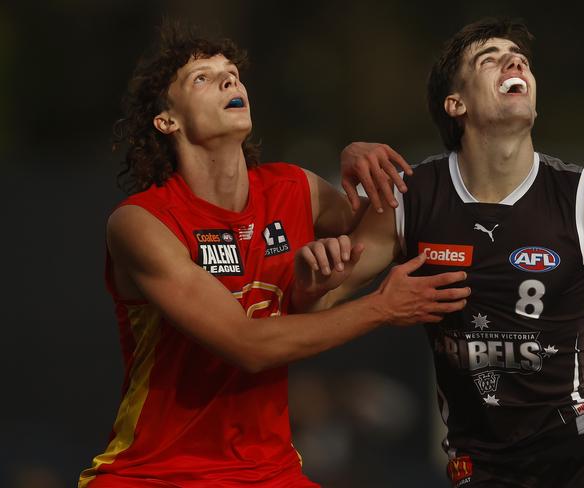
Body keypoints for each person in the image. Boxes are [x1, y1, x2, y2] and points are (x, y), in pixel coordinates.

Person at [77, 24, 471, 488]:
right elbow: (248, 346)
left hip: (269, 471)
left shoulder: (295, 188)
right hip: (155, 473)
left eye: (232, 74)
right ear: (168, 121)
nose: (230, 81)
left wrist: (357, 160)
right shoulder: (142, 222)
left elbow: (379, 234)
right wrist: (382, 307)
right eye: (202, 78)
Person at [294, 17, 584, 487]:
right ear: (455, 103)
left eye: (519, 57)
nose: (514, 61)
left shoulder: (582, 197)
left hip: (583, 439)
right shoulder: (411, 197)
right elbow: (312, 307)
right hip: (482, 459)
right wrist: (313, 279)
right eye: (490, 59)